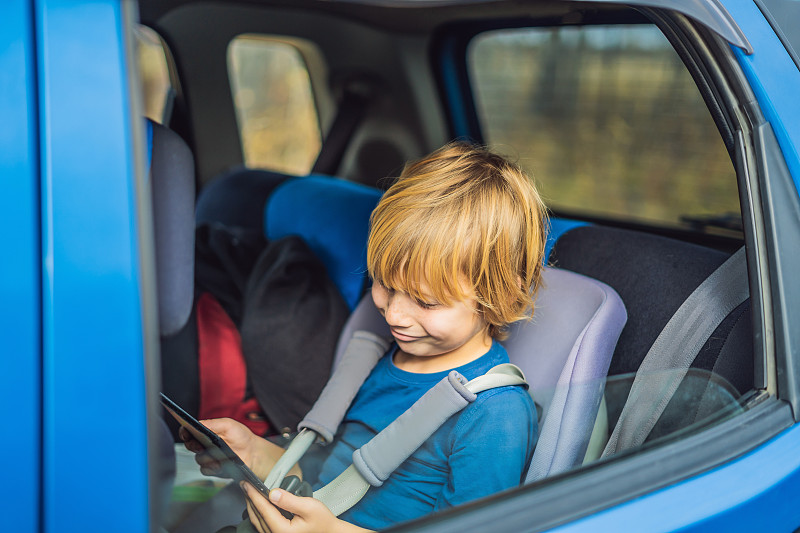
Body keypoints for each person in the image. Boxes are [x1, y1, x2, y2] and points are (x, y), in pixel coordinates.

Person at [181, 141, 549, 533]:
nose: (394, 314)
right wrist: (255, 452)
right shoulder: (381, 357)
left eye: (426, 302)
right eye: (385, 285)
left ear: (498, 299)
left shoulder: (494, 414)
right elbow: (330, 475)